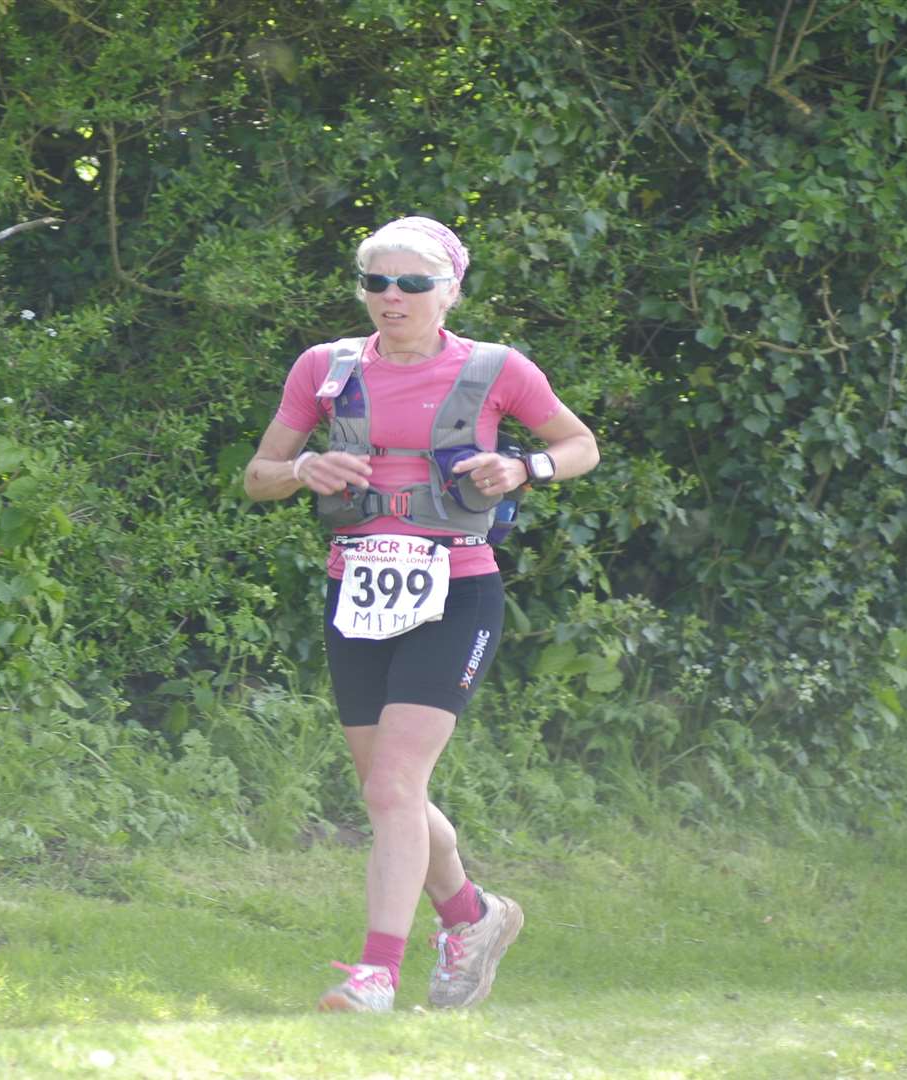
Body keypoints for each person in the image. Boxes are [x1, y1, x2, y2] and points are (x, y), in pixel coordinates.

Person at [242, 216, 599, 1012]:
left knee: (396, 784)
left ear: (451, 291)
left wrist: (523, 465)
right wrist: (304, 467)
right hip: (358, 589)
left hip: (459, 588)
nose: (391, 299)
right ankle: (473, 917)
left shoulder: (498, 368)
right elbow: (258, 476)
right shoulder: (324, 368)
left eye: (412, 284)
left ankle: (376, 973)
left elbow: (580, 445)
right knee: (386, 789)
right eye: (377, 283)